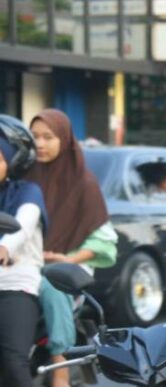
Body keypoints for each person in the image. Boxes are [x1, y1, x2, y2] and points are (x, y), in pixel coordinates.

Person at [25, 109, 117, 387]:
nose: (40, 144)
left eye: (48, 137)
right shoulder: (24, 176)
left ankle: (60, 367)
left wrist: (67, 258)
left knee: (55, 287)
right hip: (24, 261)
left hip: (66, 267)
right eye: (35, 137)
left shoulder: (84, 183)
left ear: (64, 140)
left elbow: (105, 241)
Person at [0, 115, 48, 387]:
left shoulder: (28, 192)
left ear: (13, 161)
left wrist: (5, 246)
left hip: (15, 285)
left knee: (13, 365)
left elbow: (24, 225)